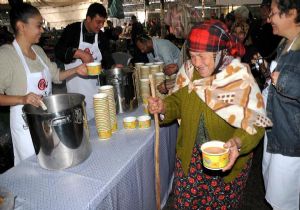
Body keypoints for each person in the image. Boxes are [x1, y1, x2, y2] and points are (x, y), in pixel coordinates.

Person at [148, 20, 272, 209]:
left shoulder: (238, 78)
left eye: (202, 56)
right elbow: (178, 101)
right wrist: (164, 106)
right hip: (191, 159)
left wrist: (237, 143)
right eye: (192, 55)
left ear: (221, 52)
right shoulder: (189, 71)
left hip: (226, 162)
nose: (196, 63)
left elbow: (255, 122)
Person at [0, 0, 87, 165]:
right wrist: (22, 99)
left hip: (48, 123)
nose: (42, 30)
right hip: (26, 128)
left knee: (54, 162)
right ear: (21, 26)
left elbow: (56, 76)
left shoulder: (38, 51)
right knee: (33, 171)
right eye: (38, 26)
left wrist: (76, 70)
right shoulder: (6, 55)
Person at [262, 0, 300, 209]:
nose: (269, 19)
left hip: (291, 140)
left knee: (286, 200)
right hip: (276, 130)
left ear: (292, 13)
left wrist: (283, 81)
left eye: (274, 14)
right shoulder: (286, 43)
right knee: (276, 193)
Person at [55, 3, 117, 120]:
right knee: (81, 121)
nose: (100, 25)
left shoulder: (101, 36)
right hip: (76, 89)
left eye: (102, 22)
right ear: (88, 19)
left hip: (96, 88)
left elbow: (107, 57)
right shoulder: (72, 30)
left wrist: (113, 66)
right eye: (98, 22)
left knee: (100, 120)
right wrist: (79, 53)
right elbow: (58, 51)